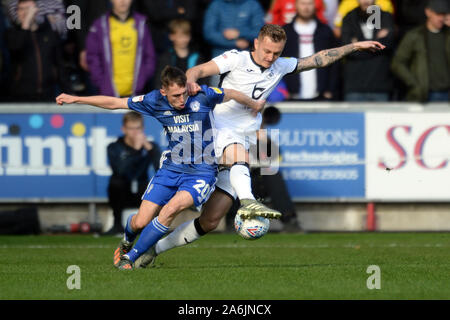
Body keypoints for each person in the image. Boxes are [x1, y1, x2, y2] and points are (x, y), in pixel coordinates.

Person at [134, 24, 385, 268]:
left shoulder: (280, 65)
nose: (270, 57)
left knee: (210, 220)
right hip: (216, 131)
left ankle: (154, 250)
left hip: (243, 137)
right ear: (256, 43)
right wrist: (190, 83)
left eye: (276, 52)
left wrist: (354, 46)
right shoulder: (236, 59)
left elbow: (318, 59)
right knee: (237, 155)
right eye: (266, 51)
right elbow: (197, 70)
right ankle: (249, 200)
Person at [56, 66, 266, 270]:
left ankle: (130, 257)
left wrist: (253, 104)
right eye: (175, 96)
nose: (181, 100)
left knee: (170, 210)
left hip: (201, 172)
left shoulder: (202, 95)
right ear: (164, 92)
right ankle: (127, 240)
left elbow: (230, 93)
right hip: (171, 169)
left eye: (183, 94)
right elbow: (115, 102)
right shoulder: (153, 100)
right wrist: (76, 98)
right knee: (140, 221)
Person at [104, 111, 161, 235]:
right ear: (124, 129)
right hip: (123, 192)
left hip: (141, 190)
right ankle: (117, 225)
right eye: (131, 129)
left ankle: (153, 226)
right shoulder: (114, 147)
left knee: (158, 186)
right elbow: (120, 170)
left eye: (138, 128)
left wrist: (150, 150)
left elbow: (160, 169)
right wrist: (135, 150)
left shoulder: (150, 146)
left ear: (143, 129)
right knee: (115, 183)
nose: (135, 132)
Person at [85, 0, 156, 97]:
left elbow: (150, 55)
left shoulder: (141, 23)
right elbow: (92, 57)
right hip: (108, 94)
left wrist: (143, 78)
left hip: (136, 93)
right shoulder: (100, 25)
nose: (123, 1)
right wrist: (101, 82)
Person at [6, 0, 66, 102]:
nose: (25, 13)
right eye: (21, 9)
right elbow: (16, 47)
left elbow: (59, 65)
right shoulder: (11, 33)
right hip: (20, 95)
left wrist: (69, 92)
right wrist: (26, 24)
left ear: (37, 11)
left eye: (29, 9)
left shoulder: (49, 33)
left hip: (48, 93)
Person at [391, 0, 450, 102]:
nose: (441, 18)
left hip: (447, 93)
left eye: (443, 14)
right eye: (438, 14)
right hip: (423, 94)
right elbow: (397, 63)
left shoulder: (448, 35)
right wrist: (414, 83)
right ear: (428, 12)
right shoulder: (415, 36)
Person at [282, 0, 339, 101]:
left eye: (309, 3)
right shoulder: (285, 32)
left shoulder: (325, 31)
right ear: (296, 5)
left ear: (315, 5)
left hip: (320, 95)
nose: (306, 7)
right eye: (303, 3)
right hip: (291, 95)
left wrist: (330, 89)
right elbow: (277, 62)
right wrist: (282, 90)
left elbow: (335, 63)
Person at [341, 0, 395, 102]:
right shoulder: (349, 18)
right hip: (354, 85)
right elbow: (346, 49)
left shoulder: (384, 16)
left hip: (380, 85)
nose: (365, 1)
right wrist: (377, 41)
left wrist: (357, 44)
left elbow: (388, 44)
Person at [153, 19, 208, 89]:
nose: (184, 40)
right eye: (180, 36)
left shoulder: (197, 57)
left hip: (193, 96)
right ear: (171, 36)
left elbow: (204, 82)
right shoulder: (166, 57)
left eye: (186, 36)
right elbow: (159, 82)